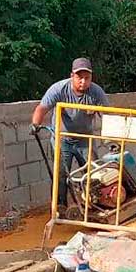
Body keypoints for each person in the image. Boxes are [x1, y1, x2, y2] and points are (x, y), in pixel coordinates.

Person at [30, 58, 111, 210]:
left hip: (85, 139)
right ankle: (60, 208)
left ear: (91, 78)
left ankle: (94, 205)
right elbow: (42, 108)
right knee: (60, 174)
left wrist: (105, 124)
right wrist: (35, 124)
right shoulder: (59, 89)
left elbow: (108, 114)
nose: (83, 81)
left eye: (87, 78)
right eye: (79, 77)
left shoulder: (96, 92)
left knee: (93, 173)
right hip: (62, 139)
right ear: (72, 76)